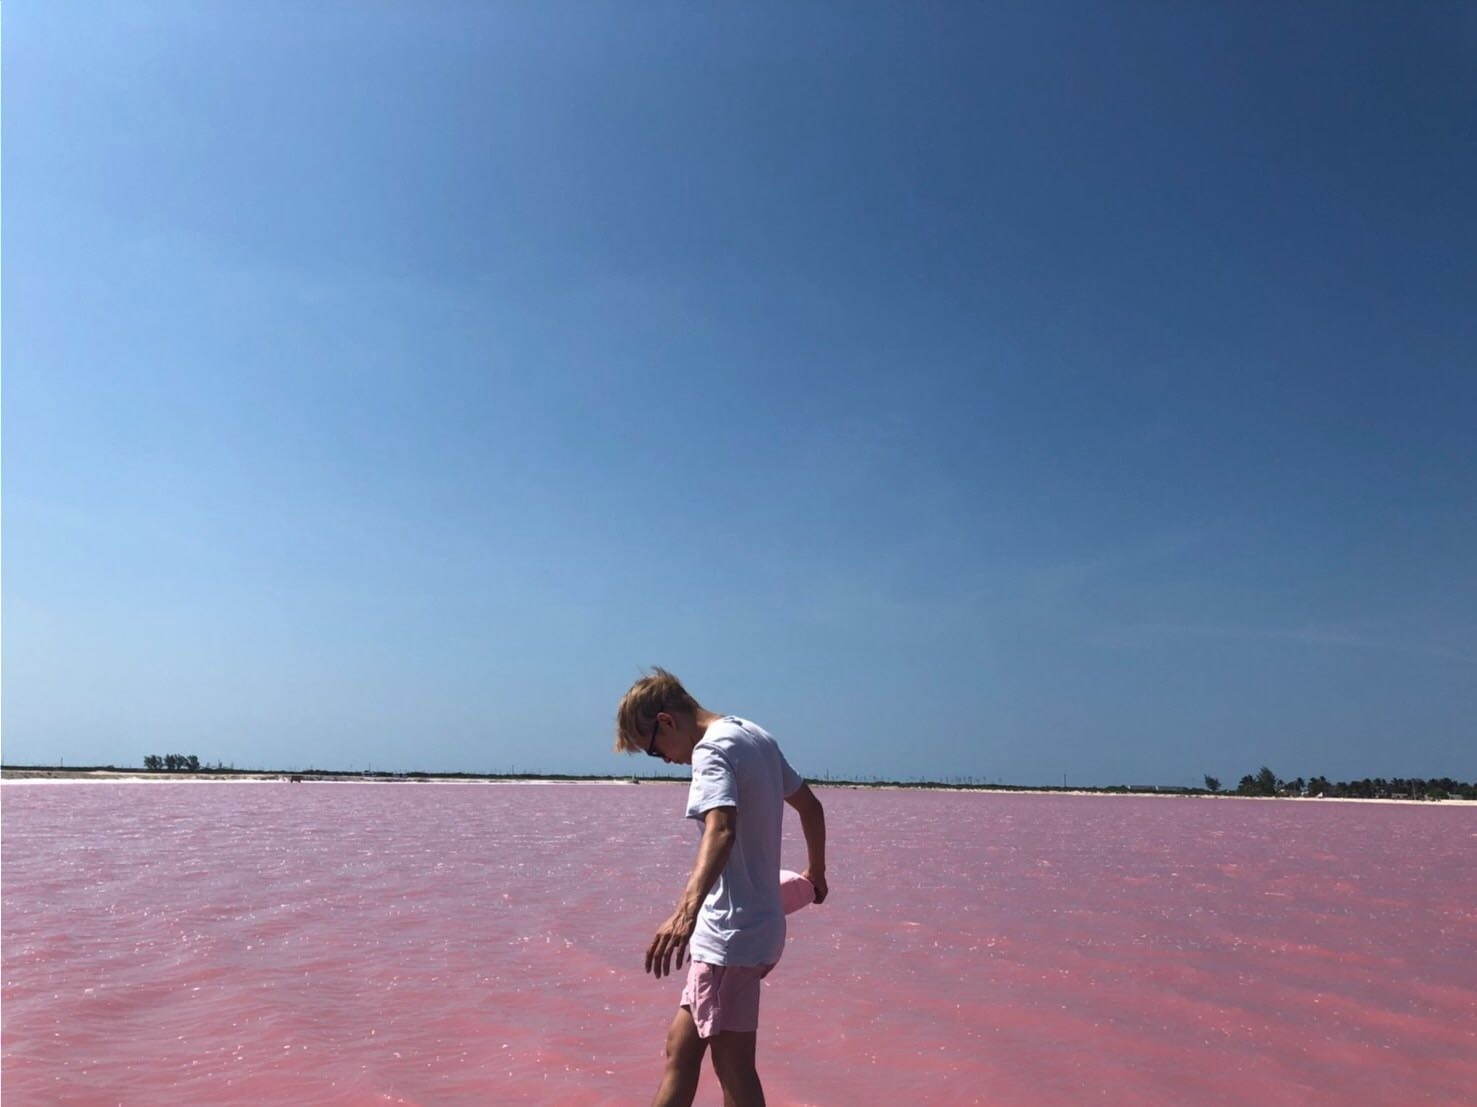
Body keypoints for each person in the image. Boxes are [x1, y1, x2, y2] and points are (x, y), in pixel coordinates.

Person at [615, 668, 828, 1107]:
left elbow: (722, 828)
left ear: (666, 721)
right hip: (753, 932)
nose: (666, 761)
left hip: (729, 938)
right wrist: (816, 875)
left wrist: (685, 911)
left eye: (654, 751)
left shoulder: (710, 752)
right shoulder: (755, 736)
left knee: (732, 1070)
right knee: (683, 1049)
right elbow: (811, 807)